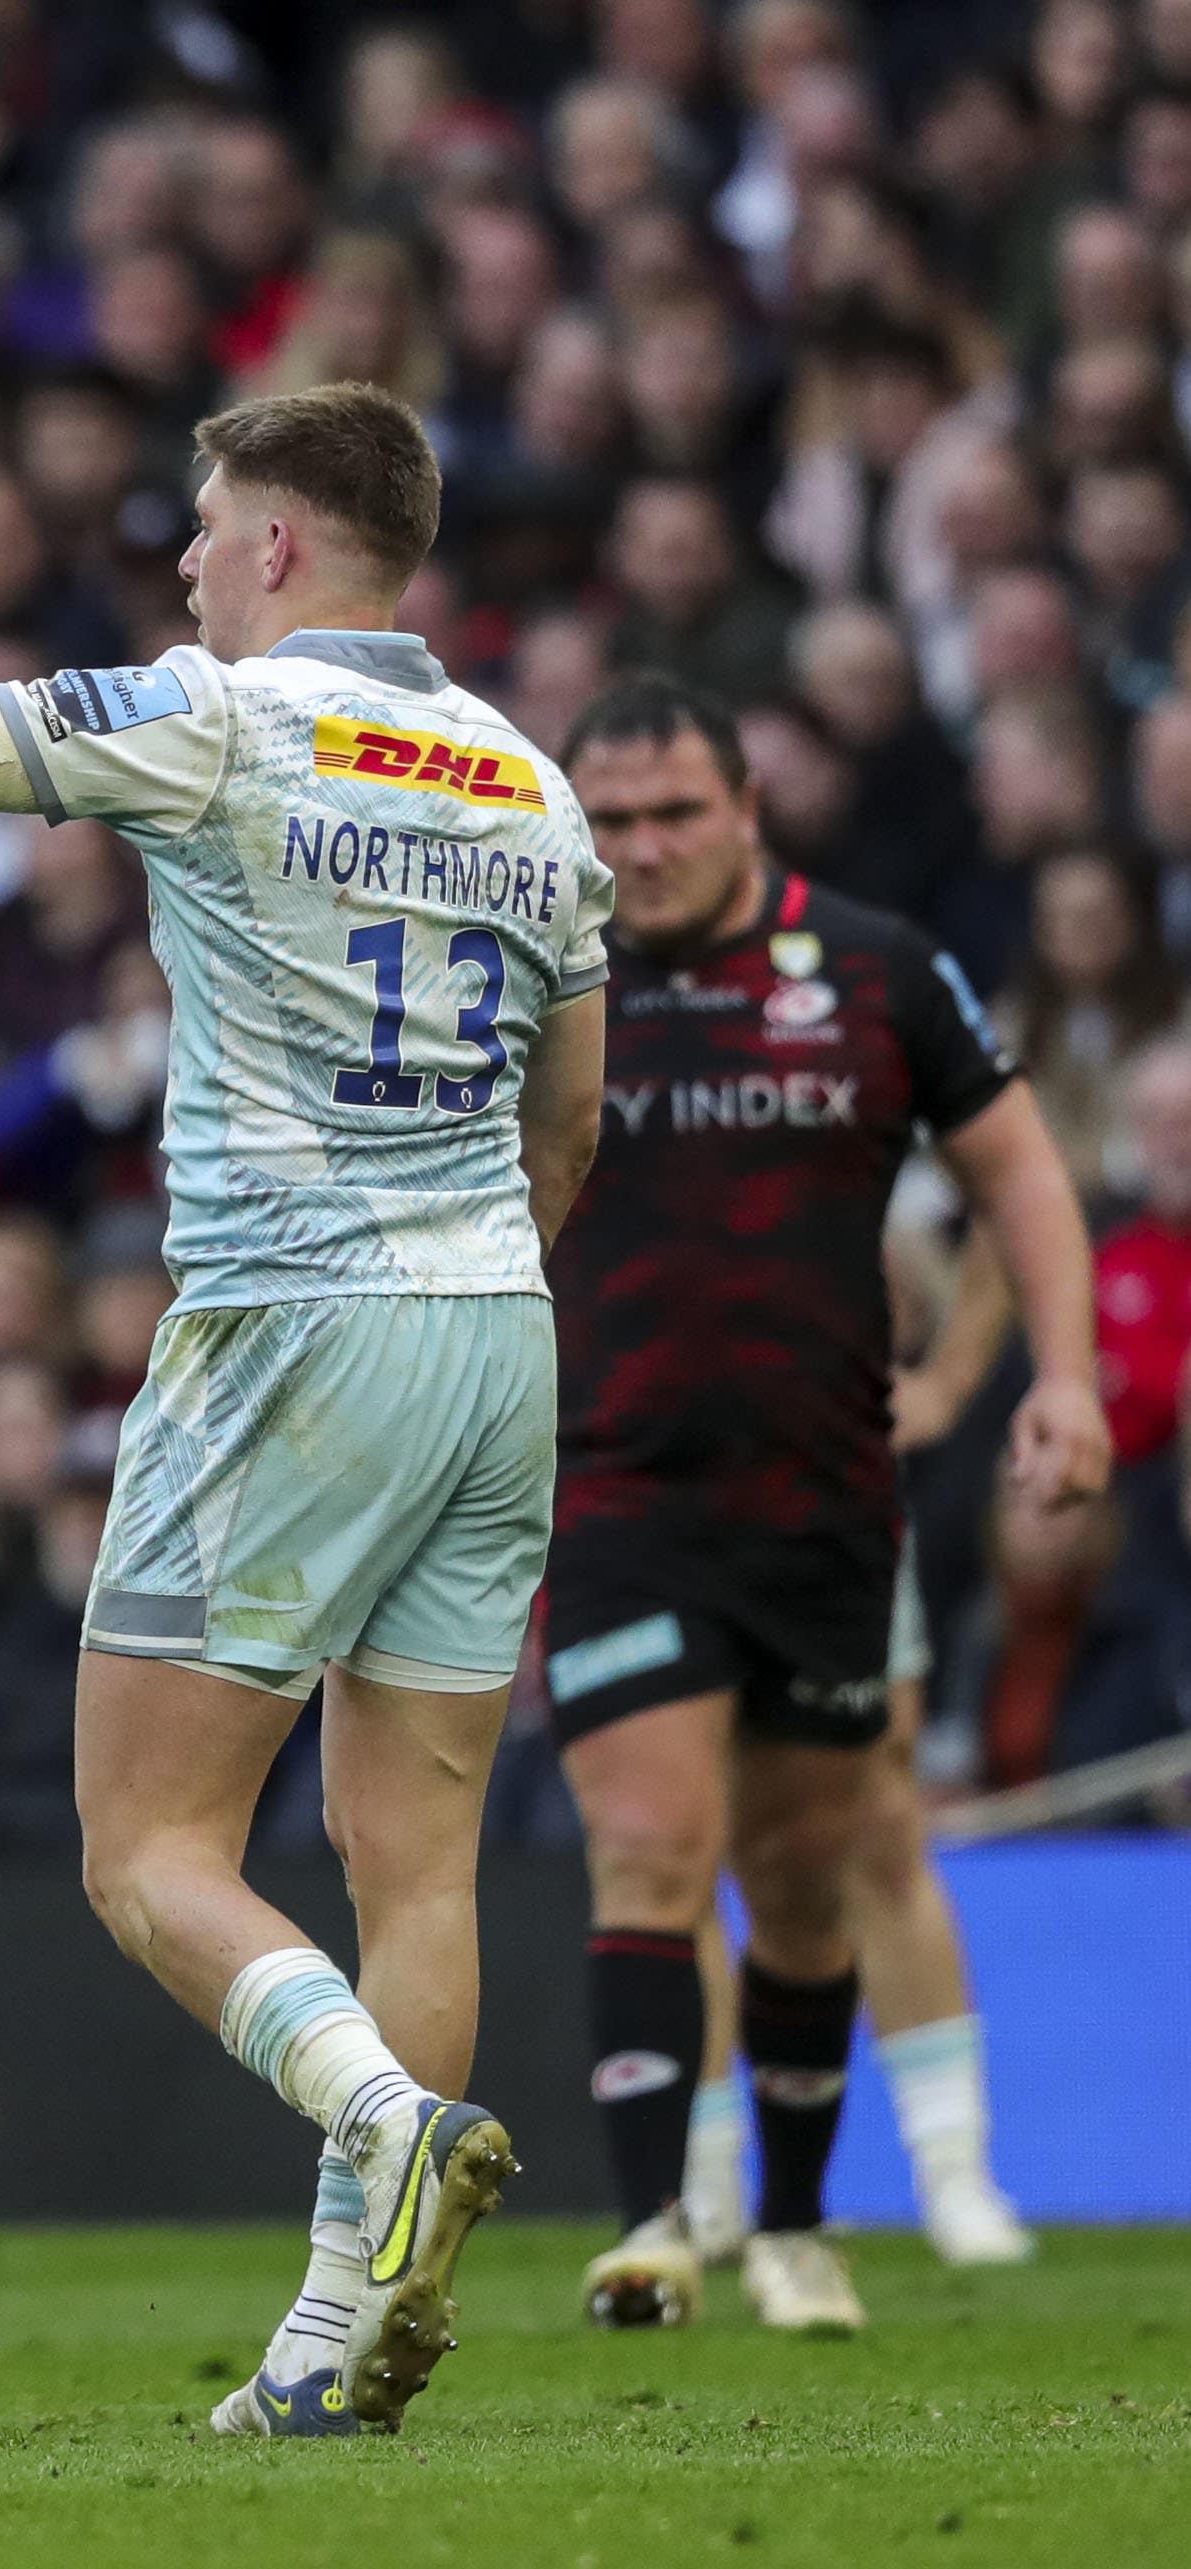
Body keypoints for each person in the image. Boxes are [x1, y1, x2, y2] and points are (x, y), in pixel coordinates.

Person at [0, 355, 606, 2438]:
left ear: (274, 542)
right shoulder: (530, 779)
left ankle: (384, 2127)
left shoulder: (222, 716)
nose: (178, 564)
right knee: (409, 1863)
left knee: (147, 1844)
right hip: (498, 1331)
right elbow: (571, 1118)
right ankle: (338, 2339)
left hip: (291, 1335)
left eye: (199, 528)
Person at [543, 677, 1104, 2336]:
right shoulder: (534, 977)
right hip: (616, 1487)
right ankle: (652, 2218)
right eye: (611, 819)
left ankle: (795, 2220)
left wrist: (1058, 1378)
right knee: (648, 1847)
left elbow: (1016, 1169)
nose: (638, 849)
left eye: (671, 815)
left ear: (746, 808)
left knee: (803, 1878)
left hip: (826, 1499)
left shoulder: (869, 963)